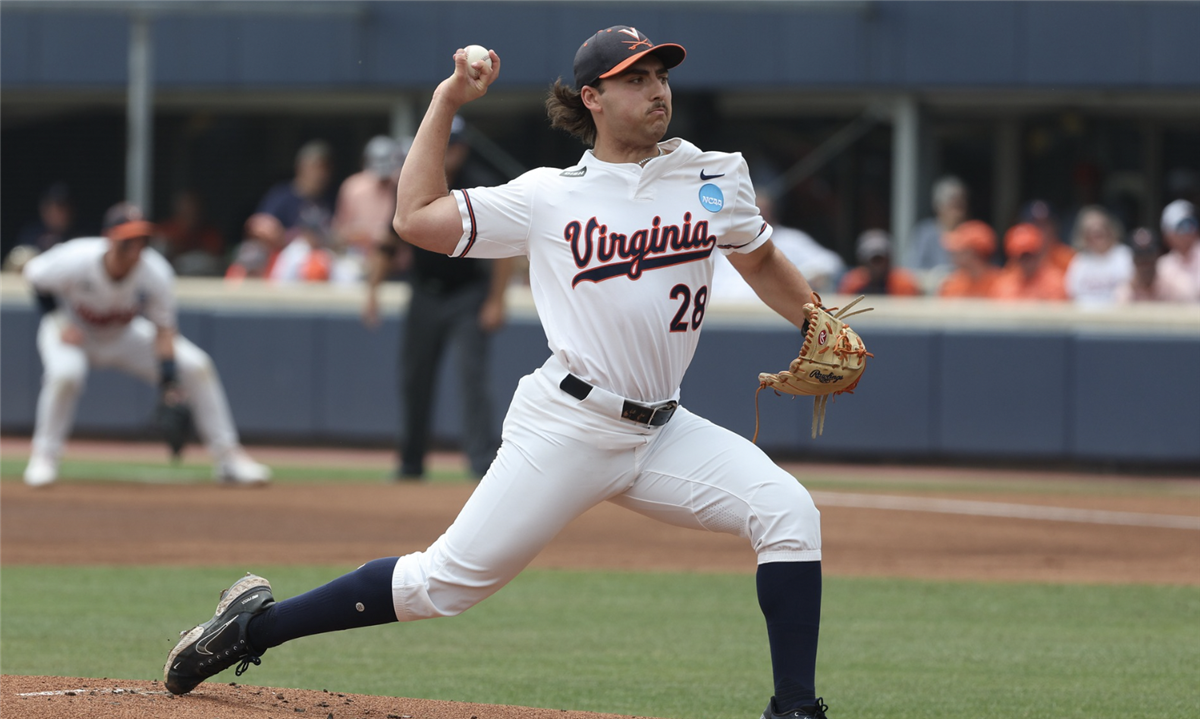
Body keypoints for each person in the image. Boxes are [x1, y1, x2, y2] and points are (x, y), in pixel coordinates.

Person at [165, 26, 833, 719]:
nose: (656, 88)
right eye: (636, 78)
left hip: (663, 430)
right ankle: (250, 626)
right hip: (570, 423)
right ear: (593, 98)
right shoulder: (550, 196)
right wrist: (448, 99)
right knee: (442, 584)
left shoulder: (714, 176)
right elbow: (416, 217)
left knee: (787, 511)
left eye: (660, 74)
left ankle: (794, 709)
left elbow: (757, 261)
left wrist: (816, 320)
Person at [21, 202, 271, 487]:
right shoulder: (77, 257)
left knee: (196, 366)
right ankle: (44, 457)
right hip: (73, 333)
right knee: (66, 375)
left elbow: (165, 331)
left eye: (141, 238)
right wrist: (58, 322)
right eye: (129, 238)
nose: (136, 246)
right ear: (110, 238)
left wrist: (169, 385)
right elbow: (34, 275)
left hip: (123, 335)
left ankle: (229, 459)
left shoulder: (154, 271)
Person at [379, 116, 514, 481]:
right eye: (444, 144)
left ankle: (482, 463)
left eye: (453, 146)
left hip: (467, 291)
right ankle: (410, 463)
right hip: (423, 290)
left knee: (472, 378)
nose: (448, 152)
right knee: (414, 377)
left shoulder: (479, 182)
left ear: (463, 148)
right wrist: (372, 291)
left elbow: (505, 249)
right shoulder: (416, 179)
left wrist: (496, 301)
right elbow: (387, 241)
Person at [710, 193, 843, 300]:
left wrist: (797, 278)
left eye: (761, 211)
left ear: (771, 212)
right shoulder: (722, 241)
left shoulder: (789, 238)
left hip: (770, 317)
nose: (756, 216)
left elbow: (831, 262)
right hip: (721, 315)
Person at [333, 135, 405, 288]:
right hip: (360, 268)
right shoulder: (353, 188)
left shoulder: (403, 185)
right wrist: (359, 234)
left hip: (399, 268)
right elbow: (338, 236)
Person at [255, 139, 335, 234]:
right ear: (300, 168)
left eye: (325, 169)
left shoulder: (330, 199)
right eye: (315, 167)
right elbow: (259, 226)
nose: (320, 174)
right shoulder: (281, 195)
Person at [902, 175, 968, 284]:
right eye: (954, 206)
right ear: (939, 206)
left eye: (961, 205)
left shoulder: (973, 233)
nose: (959, 212)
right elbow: (910, 270)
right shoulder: (925, 233)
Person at [1063, 205, 1133, 308]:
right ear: (1084, 235)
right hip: (1085, 320)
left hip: (1117, 319)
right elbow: (1071, 294)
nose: (1097, 231)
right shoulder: (1080, 260)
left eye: (1101, 227)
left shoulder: (1123, 255)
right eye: (1091, 229)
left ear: (1109, 228)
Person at [5, 182, 77, 272]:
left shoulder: (78, 239)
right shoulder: (30, 234)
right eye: (50, 208)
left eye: (61, 209)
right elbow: (14, 264)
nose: (55, 214)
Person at [989, 222, 1068, 301]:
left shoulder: (1056, 282)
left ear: (1039, 254)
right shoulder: (1003, 285)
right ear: (1013, 258)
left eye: (1030, 255)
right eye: (1022, 256)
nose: (1027, 261)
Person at [156, 189, 226, 277]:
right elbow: (156, 259)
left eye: (192, 208)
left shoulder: (210, 234)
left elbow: (215, 261)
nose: (189, 211)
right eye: (185, 208)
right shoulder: (166, 230)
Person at [837, 229, 921, 296]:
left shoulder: (903, 283)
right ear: (863, 262)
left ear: (889, 260)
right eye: (873, 260)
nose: (877, 266)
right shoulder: (852, 282)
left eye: (881, 260)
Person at [1115, 227, 1188, 303]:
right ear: (1133, 260)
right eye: (1140, 258)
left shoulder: (1172, 288)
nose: (1145, 264)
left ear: (1157, 256)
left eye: (1149, 257)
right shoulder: (1126, 292)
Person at [937, 219, 1001, 298]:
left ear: (972, 253)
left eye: (959, 248)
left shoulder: (1001, 284)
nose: (952, 252)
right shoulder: (953, 285)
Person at [1156, 199, 1200, 302]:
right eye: (1182, 226)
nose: (1190, 231)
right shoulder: (1162, 266)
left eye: (1192, 223)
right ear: (1167, 234)